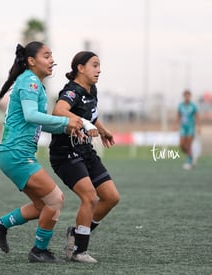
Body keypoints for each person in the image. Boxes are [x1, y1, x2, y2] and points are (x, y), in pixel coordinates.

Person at [0, 41, 83, 263]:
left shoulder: (34, 83)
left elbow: (39, 123)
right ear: (31, 61)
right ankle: (39, 251)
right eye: (46, 56)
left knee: (42, 206)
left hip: (14, 154)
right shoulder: (30, 81)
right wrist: (65, 121)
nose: (52, 61)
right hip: (17, 154)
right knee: (55, 200)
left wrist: (67, 127)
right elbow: (31, 115)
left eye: (51, 56)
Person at [49, 51, 120, 263]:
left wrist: (103, 129)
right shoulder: (72, 91)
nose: (99, 70)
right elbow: (58, 111)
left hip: (85, 151)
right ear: (80, 68)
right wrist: (86, 124)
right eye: (95, 65)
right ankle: (79, 250)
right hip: (65, 154)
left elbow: (92, 115)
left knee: (111, 198)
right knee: (89, 197)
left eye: (99, 65)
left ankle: (76, 232)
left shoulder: (92, 90)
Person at [176, 89, 201, 170]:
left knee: (189, 144)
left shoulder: (193, 106)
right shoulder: (181, 106)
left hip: (190, 127)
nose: (187, 97)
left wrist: (199, 127)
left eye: (188, 95)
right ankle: (191, 156)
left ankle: (189, 161)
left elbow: (197, 117)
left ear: (190, 96)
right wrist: (175, 125)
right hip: (183, 127)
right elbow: (178, 115)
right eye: (185, 95)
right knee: (182, 145)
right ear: (184, 96)